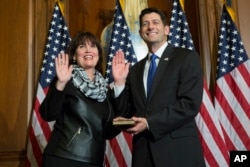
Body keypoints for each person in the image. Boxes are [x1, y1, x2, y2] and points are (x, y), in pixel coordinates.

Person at [111, 8, 206, 167]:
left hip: (178, 153)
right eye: (145, 24)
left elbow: (189, 104)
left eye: (155, 22)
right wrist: (119, 83)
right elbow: (126, 113)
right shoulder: (134, 70)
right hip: (144, 154)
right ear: (141, 32)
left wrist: (149, 123)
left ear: (167, 29)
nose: (150, 27)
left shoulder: (186, 58)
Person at [39, 31, 121, 167]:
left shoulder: (106, 90)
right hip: (63, 158)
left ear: (99, 55)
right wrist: (60, 84)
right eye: (82, 46)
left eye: (93, 46)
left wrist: (124, 122)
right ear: (75, 56)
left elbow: (108, 132)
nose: (88, 50)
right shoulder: (66, 79)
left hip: (94, 160)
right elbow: (47, 114)